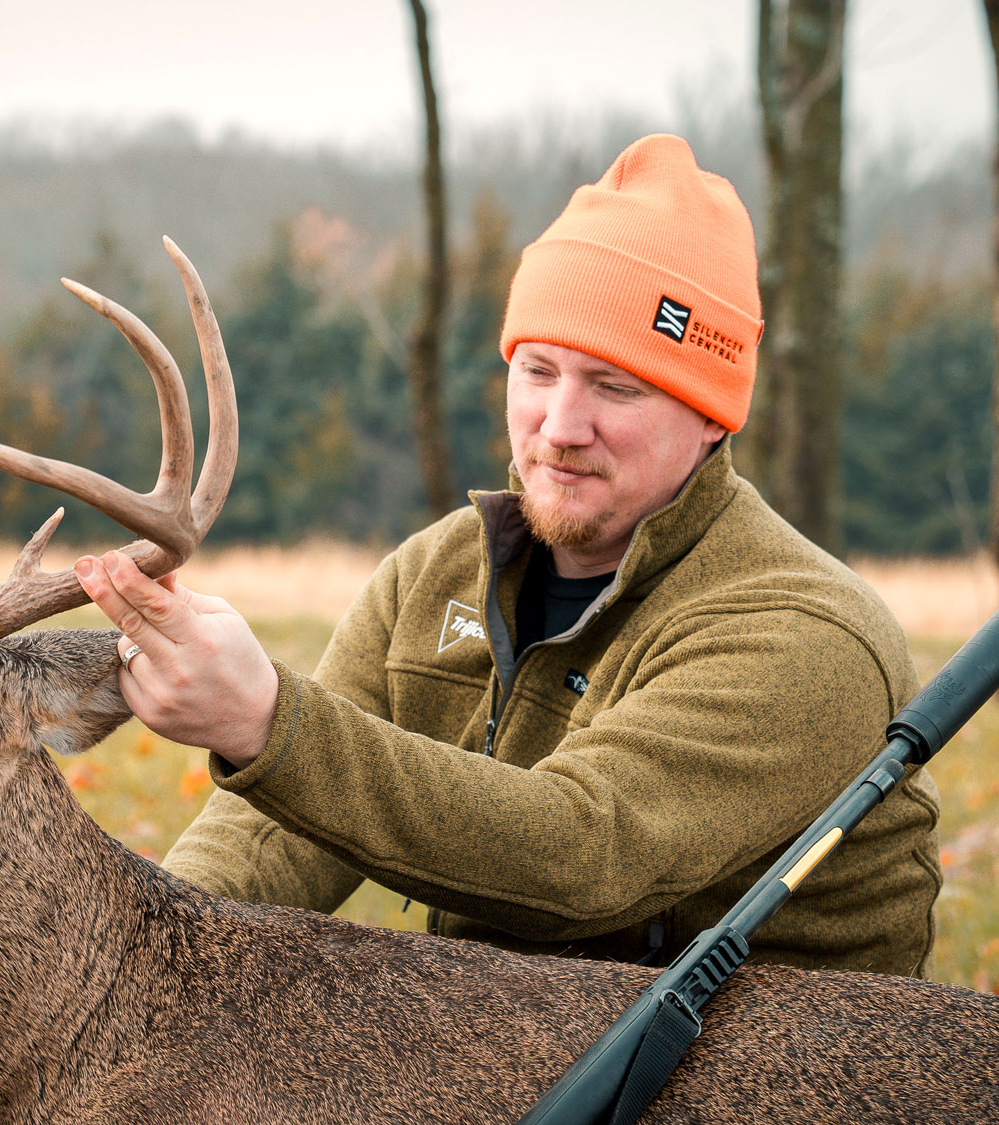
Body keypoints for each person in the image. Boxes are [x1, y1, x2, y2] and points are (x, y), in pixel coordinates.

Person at [73, 134, 940, 975]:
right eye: (537, 372)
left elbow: (582, 851)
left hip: (767, 1077)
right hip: (522, 1045)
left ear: (715, 413)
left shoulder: (805, 637)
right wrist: (133, 956)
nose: (560, 429)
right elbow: (282, 829)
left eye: (616, 386)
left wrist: (265, 719)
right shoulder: (433, 575)